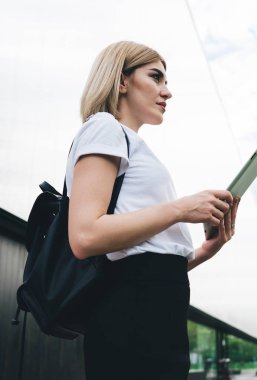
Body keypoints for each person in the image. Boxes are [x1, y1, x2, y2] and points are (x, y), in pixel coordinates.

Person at [66, 41, 240, 380]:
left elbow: (144, 258)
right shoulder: (104, 127)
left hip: (155, 308)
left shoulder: (130, 143)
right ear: (121, 81)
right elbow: (85, 236)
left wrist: (205, 249)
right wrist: (180, 209)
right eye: (156, 77)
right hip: (132, 316)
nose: (167, 92)